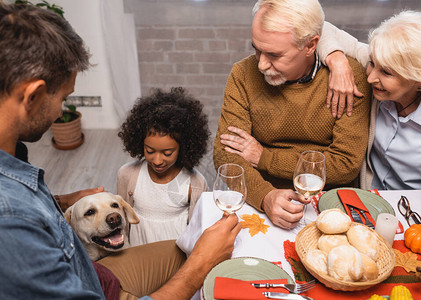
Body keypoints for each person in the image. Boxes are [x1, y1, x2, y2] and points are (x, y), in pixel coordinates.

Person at [0, 2, 240, 299]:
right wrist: (199, 267)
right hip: (97, 289)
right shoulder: (11, 222)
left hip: (93, 273)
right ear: (33, 95)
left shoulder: (11, 159)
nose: (60, 111)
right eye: (64, 97)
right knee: (208, 263)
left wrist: (59, 201)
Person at [213, 0, 372, 229]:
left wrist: (264, 157)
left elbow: (346, 163)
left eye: (274, 55)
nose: (261, 64)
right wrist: (266, 196)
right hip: (257, 200)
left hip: (327, 209)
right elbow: (226, 155)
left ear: (310, 45)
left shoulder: (348, 80)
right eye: (256, 50)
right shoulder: (242, 74)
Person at [317, 11, 421, 190]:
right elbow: (320, 27)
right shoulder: (382, 62)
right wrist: (338, 62)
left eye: (386, 73)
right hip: (369, 202)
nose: (371, 78)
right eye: (371, 63)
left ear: (420, 77)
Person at [117, 87, 209, 246]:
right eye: (150, 151)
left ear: (183, 148)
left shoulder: (195, 183)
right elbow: (121, 221)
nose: (158, 161)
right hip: (139, 253)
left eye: (167, 153)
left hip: (175, 256)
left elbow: (199, 230)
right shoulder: (127, 175)